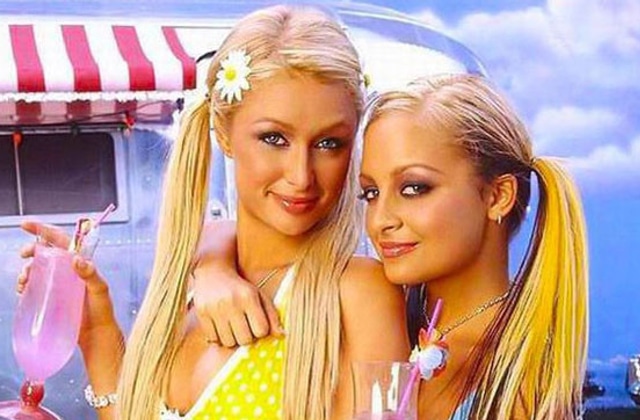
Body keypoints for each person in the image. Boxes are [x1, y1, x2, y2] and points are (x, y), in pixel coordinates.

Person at [17, 5, 409, 420]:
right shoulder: (187, 286)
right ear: (224, 133)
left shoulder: (359, 295)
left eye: (329, 143)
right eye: (274, 138)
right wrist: (97, 333)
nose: (301, 176)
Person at [194, 74, 589, 419]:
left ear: (498, 196)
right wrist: (213, 267)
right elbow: (226, 233)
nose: (381, 219)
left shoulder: (524, 383)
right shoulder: (381, 316)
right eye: (371, 193)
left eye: (414, 188)